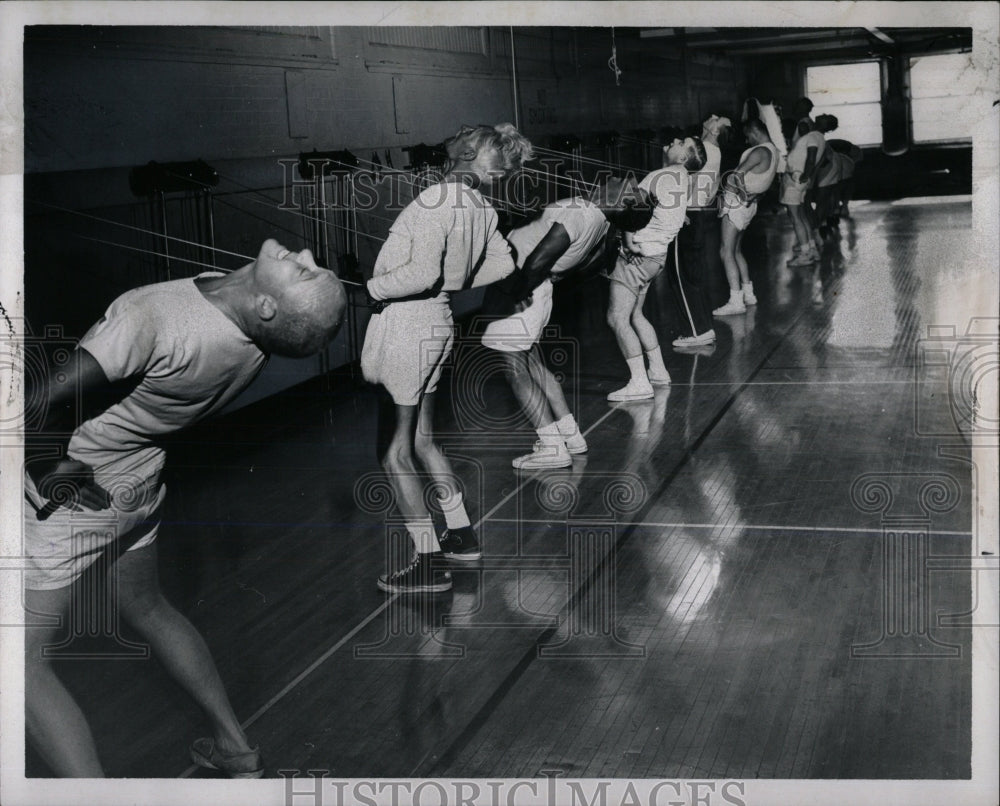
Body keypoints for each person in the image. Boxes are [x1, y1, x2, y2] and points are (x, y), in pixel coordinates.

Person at [22, 239, 347, 778]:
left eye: (307, 272)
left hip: (78, 495)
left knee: (20, 662)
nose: (308, 253)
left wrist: (43, 463)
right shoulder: (250, 328)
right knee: (148, 607)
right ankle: (234, 748)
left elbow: (31, 404)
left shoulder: (153, 318)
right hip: (139, 485)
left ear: (267, 306)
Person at [361, 122, 533, 594]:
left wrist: (371, 287)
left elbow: (419, 271)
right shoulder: (480, 206)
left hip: (409, 322)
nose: (452, 135)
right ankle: (461, 538)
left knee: (394, 453)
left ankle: (428, 563)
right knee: (425, 442)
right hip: (438, 322)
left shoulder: (437, 198)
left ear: (470, 150)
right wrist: (454, 283)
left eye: (462, 134)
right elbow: (503, 264)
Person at [480, 177, 655, 469]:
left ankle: (551, 447)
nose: (624, 180)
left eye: (631, 188)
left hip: (523, 290)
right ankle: (570, 436)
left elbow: (538, 259)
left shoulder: (581, 212)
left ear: (622, 203)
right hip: (537, 289)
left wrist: (514, 293)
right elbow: (593, 263)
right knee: (534, 365)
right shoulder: (597, 218)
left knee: (515, 370)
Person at [605, 136, 707, 402]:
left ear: (683, 157)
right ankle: (658, 372)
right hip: (656, 258)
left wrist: (627, 242)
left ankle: (639, 382)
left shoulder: (658, 176)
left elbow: (631, 212)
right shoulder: (683, 178)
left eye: (681, 141)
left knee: (617, 318)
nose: (673, 140)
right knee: (636, 315)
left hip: (637, 255)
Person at [670, 114, 732, 349]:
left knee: (683, 276)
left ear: (716, 131)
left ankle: (697, 331)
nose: (712, 117)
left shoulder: (705, 148)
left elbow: (689, 182)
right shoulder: (711, 149)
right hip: (698, 212)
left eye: (717, 119)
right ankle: (700, 326)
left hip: (688, 214)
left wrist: (679, 208)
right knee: (692, 274)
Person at [713, 119, 781, 316]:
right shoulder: (773, 150)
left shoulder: (759, 151)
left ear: (754, 131)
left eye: (748, 135)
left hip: (737, 204)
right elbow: (765, 181)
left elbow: (735, 175)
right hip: (750, 205)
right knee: (736, 251)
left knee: (725, 251)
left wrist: (742, 195)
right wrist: (753, 195)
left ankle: (736, 301)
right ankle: (748, 294)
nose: (747, 139)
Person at [781, 112, 828, 268]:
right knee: (801, 215)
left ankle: (805, 254)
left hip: (796, 179)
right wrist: (808, 176)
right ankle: (811, 248)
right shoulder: (819, 137)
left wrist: (805, 175)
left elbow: (812, 157)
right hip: (800, 178)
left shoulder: (814, 136)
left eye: (823, 119)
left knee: (795, 218)